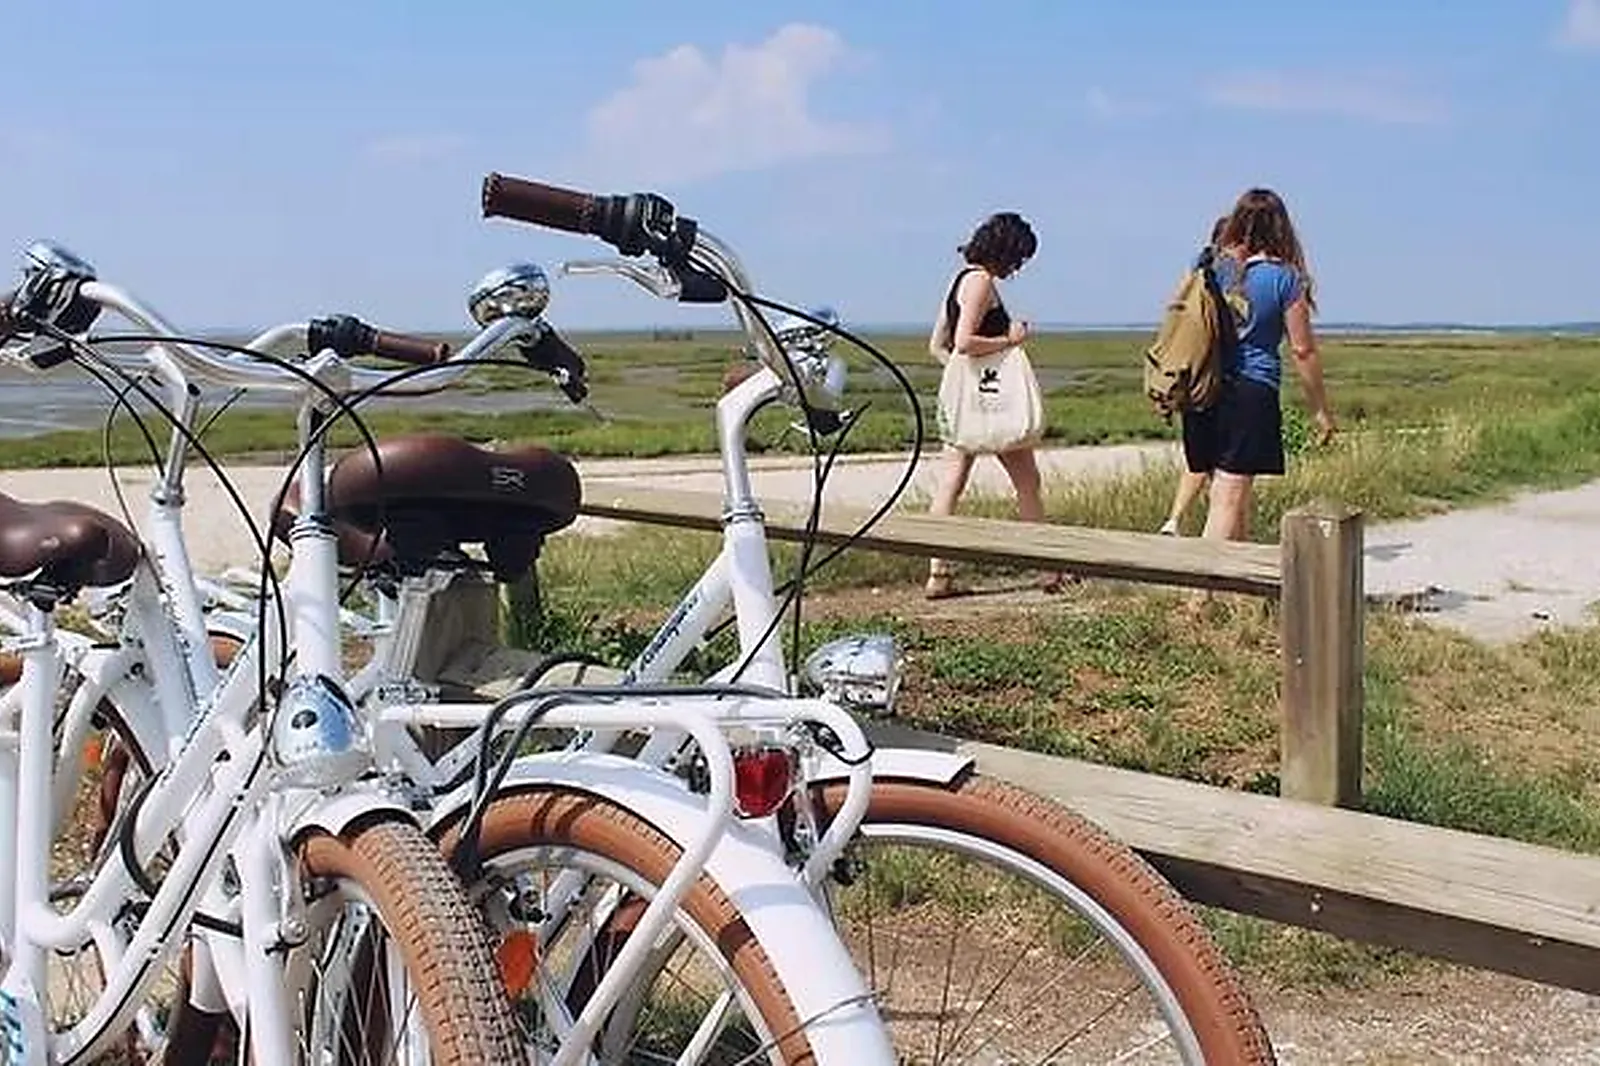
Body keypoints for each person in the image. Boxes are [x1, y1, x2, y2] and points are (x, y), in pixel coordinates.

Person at [924, 211, 1066, 599]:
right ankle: (1046, 570)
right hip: (992, 403)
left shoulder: (959, 280)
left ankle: (938, 573)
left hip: (967, 403)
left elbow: (941, 345)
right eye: (1018, 259)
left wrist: (960, 380)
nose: (1018, 268)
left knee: (950, 485)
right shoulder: (982, 283)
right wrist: (1010, 340)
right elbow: (966, 341)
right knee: (1027, 483)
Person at [1182, 188, 1336, 542]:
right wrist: (1320, 410)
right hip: (1252, 389)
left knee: (1229, 492)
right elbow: (1302, 350)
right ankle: (1198, 594)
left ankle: (1239, 592)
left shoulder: (1206, 266)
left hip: (1203, 387)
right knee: (1228, 496)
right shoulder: (1285, 279)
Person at [1159, 216, 1229, 536]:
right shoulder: (1231, 271)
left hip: (1190, 370)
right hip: (1218, 376)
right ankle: (1218, 536)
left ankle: (1174, 520)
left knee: (1197, 458)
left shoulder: (1197, 264)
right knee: (1222, 467)